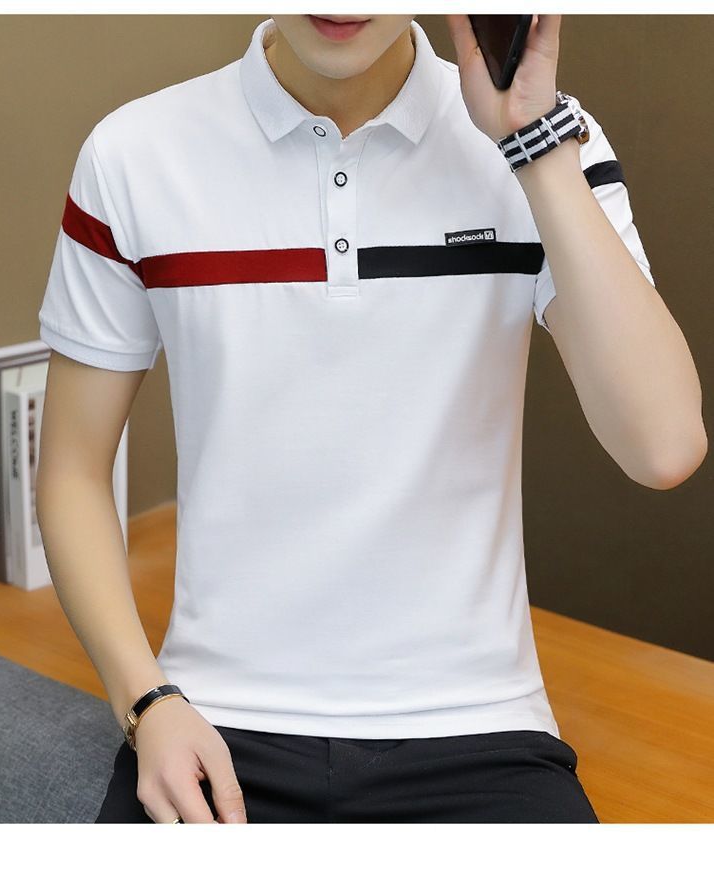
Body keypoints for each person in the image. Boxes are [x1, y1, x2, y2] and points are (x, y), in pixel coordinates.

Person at [35, 14, 706, 824]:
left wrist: (530, 143)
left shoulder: (553, 140)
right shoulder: (133, 154)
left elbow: (663, 446)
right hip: (214, 720)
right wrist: (146, 702)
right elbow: (72, 474)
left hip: (479, 727)